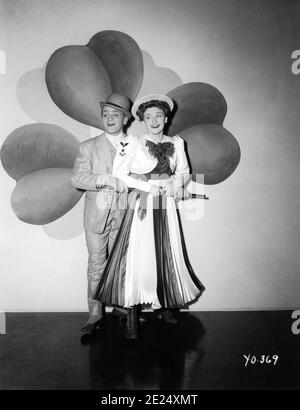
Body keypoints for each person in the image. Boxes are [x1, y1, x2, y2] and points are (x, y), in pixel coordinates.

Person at [93, 94, 205, 339]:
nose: (154, 120)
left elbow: (184, 171)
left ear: (166, 118)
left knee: (165, 251)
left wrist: (175, 183)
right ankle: (132, 311)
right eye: (148, 116)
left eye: (158, 115)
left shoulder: (177, 142)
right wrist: (148, 187)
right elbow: (119, 174)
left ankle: (163, 305)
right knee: (139, 255)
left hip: (165, 205)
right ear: (142, 120)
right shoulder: (133, 142)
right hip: (143, 203)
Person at [71, 93, 138, 334]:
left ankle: (121, 309)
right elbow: (77, 178)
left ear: (126, 119)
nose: (109, 119)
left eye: (115, 114)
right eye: (105, 114)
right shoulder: (88, 147)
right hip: (96, 216)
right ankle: (94, 314)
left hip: (125, 214)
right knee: (96, 265)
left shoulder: (135, 146)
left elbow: (143, 178)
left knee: (121, 264)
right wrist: (103, 179)